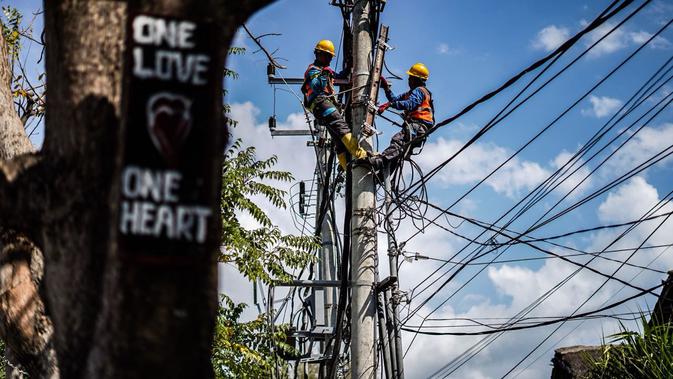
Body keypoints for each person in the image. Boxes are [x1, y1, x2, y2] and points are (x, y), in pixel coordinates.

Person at [302, 39, 369, 170]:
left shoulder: (326, 70)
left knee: (338, 140)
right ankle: (360, 154)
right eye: (326, 56)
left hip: (321, 107)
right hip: (322, 104)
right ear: (318, 54)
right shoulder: (313, 70)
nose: (329, 59)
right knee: (342, 127)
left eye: (330, 57)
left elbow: (338, 76)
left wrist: (349, 67)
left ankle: (346, 168)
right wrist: (323, 75)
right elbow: (316, 87)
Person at [369, 62, 434, 173]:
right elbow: (395, 100)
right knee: (397, 156)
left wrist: (389, 105)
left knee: (398, 140)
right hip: (416, 128)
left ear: (417, 79)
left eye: (411, 78)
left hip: (418, 127)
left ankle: (380, 161)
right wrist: (386, 89)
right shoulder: (411, 93)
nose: (408, 80)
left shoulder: (420, 91)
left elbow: (409, 104)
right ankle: (383, 176)